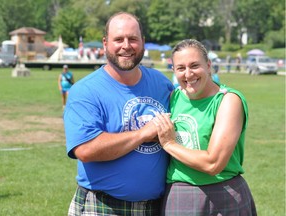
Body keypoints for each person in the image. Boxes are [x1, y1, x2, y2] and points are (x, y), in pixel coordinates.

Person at [64, 12, 174, 215]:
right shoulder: (85, 91)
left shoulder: (162, 84)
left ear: (143, 42)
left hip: (155, 206)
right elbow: (86, 150)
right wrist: (143, 133)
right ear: (105, 43)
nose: (126, 45)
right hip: (102, 206)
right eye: (118, 39)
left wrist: (221, 94)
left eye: (133, 39)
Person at [153, 39, 257, 215]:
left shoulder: (228, 100)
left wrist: (169, 144)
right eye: (181, 68)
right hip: (181, 193)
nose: (188, 74)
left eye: (194, 66)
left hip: (225, 192)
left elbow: (213, 164)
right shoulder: (173, 98)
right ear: (173, 71)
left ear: (208, 66)